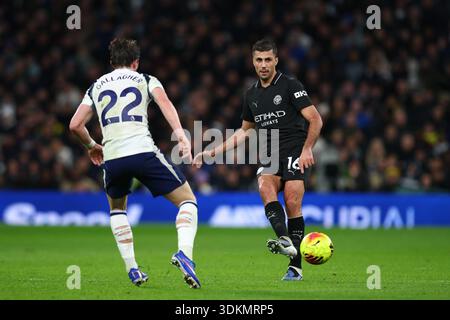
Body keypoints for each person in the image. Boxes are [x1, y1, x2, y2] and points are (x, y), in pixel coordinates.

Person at [69, 38, 201, 288]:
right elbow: (166, 104)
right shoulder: (146, 79)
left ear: (111, 62)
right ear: (136, 62)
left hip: (113, 158)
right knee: (188, 201)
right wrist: (182, 136)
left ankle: (132, 269)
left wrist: (91, 146)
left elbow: (75, 125)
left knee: (117, 210)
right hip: (142, 151)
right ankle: (184, 254)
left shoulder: (95, 86)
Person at [193, 38, 323, 280]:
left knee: (293, 202)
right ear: (253, 62)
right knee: (265, 186)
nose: (263, 65)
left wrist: (307, 149)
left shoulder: (290, 86)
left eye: (267, 60)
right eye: (258, 60)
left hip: (295, 148)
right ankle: (286, 240)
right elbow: (244, 130)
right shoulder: (251, 94)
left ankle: (295, 267)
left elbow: (315, 119)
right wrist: (212, 151)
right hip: (270, 152)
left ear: (276, 61)